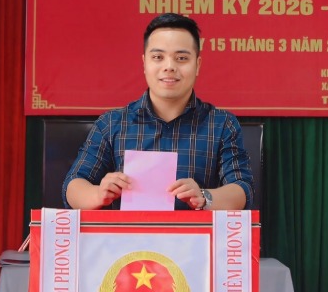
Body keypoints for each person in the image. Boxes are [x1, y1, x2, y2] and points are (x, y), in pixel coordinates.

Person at [63, 13, 254, 211]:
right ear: (145, 63)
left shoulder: (221, 125)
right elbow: (73, 185)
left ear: (197, 65)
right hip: (126, 241)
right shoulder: (112, 123)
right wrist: (97, 194)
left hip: (197, 240)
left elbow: (242, 189)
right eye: (158, 57)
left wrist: (205, 197)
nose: (169, 67)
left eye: (181, 58)